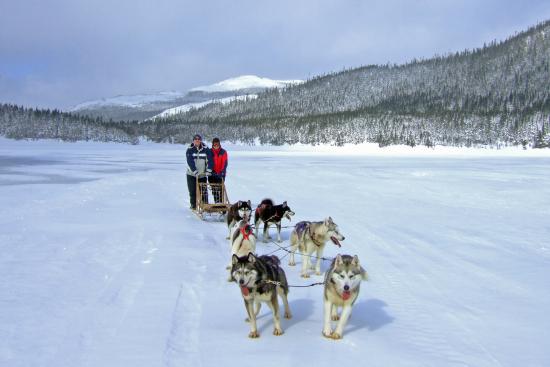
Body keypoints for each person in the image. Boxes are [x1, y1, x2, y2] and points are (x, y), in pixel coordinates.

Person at [186, 134, 213, 210]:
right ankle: (193, 206)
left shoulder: (206, 149)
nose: (197, 140)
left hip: (202, 174)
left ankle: (205, 206)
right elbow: (189, 162)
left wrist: (208, 170)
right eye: (195, 139)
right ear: (193, 140)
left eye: (198, 139)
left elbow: (210, 160)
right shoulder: (189, 149)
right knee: (192, 191)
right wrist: (195, 172)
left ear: (200, 140)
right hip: (191, 174)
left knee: (204, 192)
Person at [209, 137, 228, 203]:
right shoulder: (209, 151)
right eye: (215, 144)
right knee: (214, 190)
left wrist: (222, 172)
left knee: (221, 189)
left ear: (219, 144)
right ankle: (217, 203)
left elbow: (224, 163)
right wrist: (211, 171)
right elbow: (208, 162)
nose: (216, 146)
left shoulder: (223, 152)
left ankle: (221, 204)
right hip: (212, 174)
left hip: (221, 174)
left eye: (217, 144)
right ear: (212, 144)